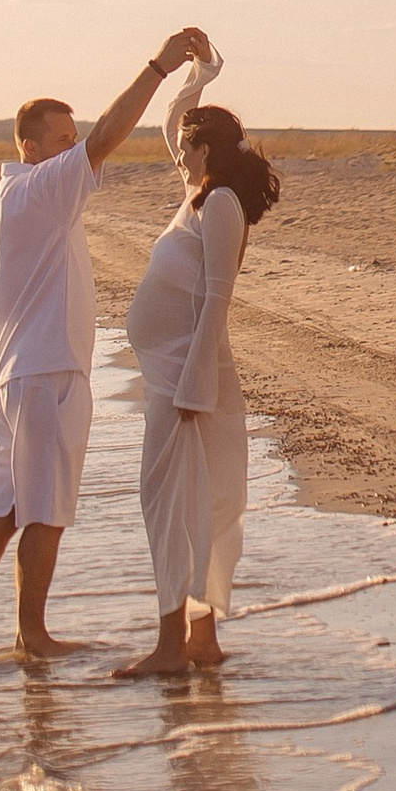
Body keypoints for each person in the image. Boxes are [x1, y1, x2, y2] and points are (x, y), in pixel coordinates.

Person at [0, 27, 214, 670]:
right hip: (45, 372)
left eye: (69, 141)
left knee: (7, 508)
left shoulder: (10, 201)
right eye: (60, 140)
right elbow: (108, 135)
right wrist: (160, 68)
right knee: (41, 512)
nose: (72, 152)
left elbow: (96, 141)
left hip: (23, 375)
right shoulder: (37, 192)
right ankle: (23, 634)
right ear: (28, 146)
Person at [114, 63, 280, 678]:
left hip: (187, 380)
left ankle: (168, 649)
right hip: (171, 375)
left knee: (175, 508)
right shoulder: (198, 194)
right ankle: (199, 641)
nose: (176, 156)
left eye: (185, 148)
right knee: (184, 504)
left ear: (204, 147)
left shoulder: (223, 204)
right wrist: (199, 72)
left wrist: (195, 385)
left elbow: (217, 299)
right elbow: (170, 121)